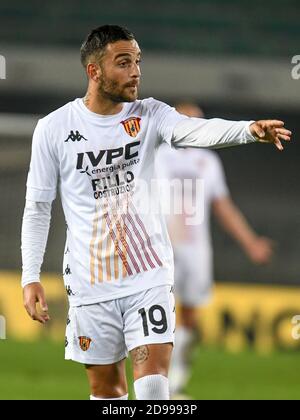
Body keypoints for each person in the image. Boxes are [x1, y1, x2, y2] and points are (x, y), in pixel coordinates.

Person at [21, 25, 291, 401]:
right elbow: (37, 207)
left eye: (138, 61)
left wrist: (248, 129)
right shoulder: (53, 129)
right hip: (89, 282)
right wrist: (30, 275)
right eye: (124, 62)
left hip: (146, 277)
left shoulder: (150, 116)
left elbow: (196, 130)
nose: (136, 71)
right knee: (107, 392)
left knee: (152, 388)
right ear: (94, 71)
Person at [156, 103, 274, 398]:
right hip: (159, 247)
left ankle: (176, 382)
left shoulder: (208, 162)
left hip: (195, 249)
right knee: (158, 314)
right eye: (187, 118)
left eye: (197, 119)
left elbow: (223, 207)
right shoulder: (158, 154)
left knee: (189, 316)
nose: (192, 124)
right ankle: (156, 381)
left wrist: (251, 243)